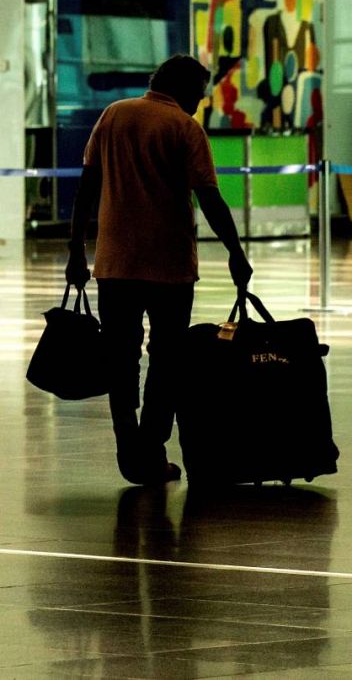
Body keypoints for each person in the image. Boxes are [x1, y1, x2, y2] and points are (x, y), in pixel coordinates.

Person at [67, 54, 252, 485]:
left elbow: (87, 187)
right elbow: (209, 198)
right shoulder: (185, 128)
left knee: (120, 358)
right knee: (167, 360)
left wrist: (76, 250)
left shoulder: (113, 115)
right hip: (169, 266)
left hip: (115, 263)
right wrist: (235, 251)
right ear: (185, 90)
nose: (200, 104)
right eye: (200, 95)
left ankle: (128, 449)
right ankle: (151, 450)